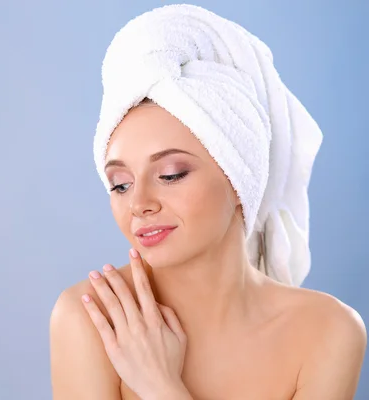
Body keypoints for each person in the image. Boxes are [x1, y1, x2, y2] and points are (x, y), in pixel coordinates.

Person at [49, 4, 367, 400]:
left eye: (170, 175)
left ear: (239, 179)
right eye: (120, 184)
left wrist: (161, 387)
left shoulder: (327, 331)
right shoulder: (92, 319)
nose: (139, 204)